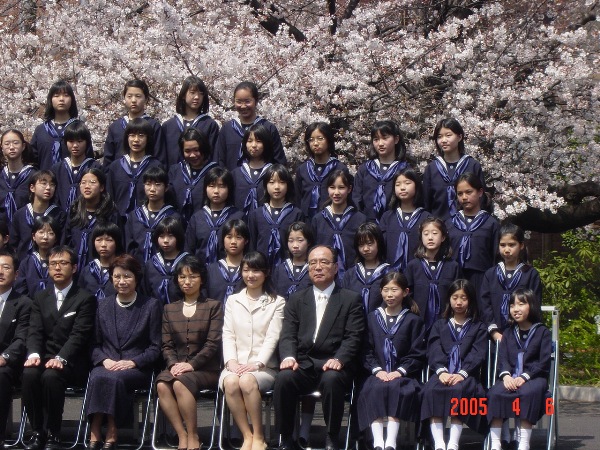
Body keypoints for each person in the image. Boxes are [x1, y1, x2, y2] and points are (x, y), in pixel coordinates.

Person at [274, 245, 364, 450]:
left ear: (335, 267)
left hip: (333, 363)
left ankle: (332, 437)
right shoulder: (297, 298)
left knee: (332, 379)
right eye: (312, 263)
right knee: (284, 378)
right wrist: (288, 356)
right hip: (304, 363)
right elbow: (288, 334)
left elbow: (354, 336)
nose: (318, 267)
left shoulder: (350, 299)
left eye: (324, 262)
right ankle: (285, 438)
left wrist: (340, 358)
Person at [22, 245, 95, 450]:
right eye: (53, 264)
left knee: (51, 377)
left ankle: (54, 432)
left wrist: (61, 357)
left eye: (63, 263)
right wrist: (33, 354)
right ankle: (37, 431)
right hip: (45, 357)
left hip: (72, 361)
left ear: (74, 267)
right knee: (29, 374)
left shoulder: (85, 298)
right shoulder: (40, 297)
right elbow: (34, 330)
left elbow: (79, 335)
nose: (57, 268)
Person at [86, 254, 162, 449]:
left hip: (137, 368)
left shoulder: (150, 305)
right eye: (117, 276)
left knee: (115, 379)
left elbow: (155, 347)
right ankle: (97, 426)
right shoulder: (102, 305)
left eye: (127, 276)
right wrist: (104, 360)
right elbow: (94, 344)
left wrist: (133, 362)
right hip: (108, 363)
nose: (121, 281)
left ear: (136, 278)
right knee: (97, 376)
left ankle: (110, 428)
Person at [156, 255, 223, 450]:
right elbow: (167, 344)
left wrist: (191, 365)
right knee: (162, 384)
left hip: (206, 369)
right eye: (182, 277)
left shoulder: (213, 306)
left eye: (193, 276)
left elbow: (212, 344)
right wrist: (173, 364)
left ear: (202, 279)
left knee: (180, 383)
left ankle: (193, 435)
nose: (187, 281)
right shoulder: (169, 309)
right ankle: (182, 434)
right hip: (177, 367)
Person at [220, 251, 285, 450]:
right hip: (235, 364)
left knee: (247, 380)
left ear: (266, 273)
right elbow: (228, 333)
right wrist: (231, 361)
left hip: (264, 367)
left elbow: (273, 336)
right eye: (246, 270)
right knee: (231, 382)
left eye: (256, 271)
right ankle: (246, 435)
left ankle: (259, 436)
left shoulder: (277, 302)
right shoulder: (233, 300)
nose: (250, 275)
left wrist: (257, 363)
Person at [357, 272, 424, 450]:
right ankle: (378, 441)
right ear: (380, 292)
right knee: (373, 388)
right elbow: (366, 350)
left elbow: (417, 352)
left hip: (403, 375)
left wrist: (399, 371)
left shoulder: (413, 320)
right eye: (386, 290)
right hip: (377, 373)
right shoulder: (371, 318)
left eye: (394, 290)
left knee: (396, 388)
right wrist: (377, 370)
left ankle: (391, 441)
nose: (389, 295)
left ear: (405, 292)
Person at [420, 279, 489, 450]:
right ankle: (439, 443)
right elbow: (434, 349)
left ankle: (453, 442)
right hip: (442, 374)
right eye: (455, 297)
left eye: (463, 298)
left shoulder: (478, 327)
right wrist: (442, 371)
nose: (459, 302)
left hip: (466, 375)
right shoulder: (440, 324)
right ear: (449, 299)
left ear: (470, 300)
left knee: (460, 392)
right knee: (431, 390)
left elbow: (477, 353)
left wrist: (462, 373)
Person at [487, 289, 551, 450]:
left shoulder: (542, 332)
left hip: (534, 377)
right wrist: (506, 376)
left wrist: (525, 377)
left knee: (527, 393)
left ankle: (523, 444)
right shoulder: (508, 333)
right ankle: (495, 444)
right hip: (511, 377)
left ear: (532, 306)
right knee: (495, 393)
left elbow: (543, 362)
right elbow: (503, 359)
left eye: (521, 304)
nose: (516, 309)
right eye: (512, 305)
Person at [481, 223, 543, 342]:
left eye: (511, 245)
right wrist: (494, 333)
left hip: (523, 335)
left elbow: (534, 305)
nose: (507, 250)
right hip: (495, 336)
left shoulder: (530, 274)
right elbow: (485, 305)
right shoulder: (490, 274)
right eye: (502, 245)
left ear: (521, 245)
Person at [446, 173, 499, 296]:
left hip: (482, 280)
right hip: (455, 279)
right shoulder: (450, 223)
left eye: (469, 192)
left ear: (480, 192)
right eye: (460, 194)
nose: (464, 197)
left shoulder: (491, 224)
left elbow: (496, 256)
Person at [422, 118, 486, 220]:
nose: (443, 140)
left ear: (459, 137)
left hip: (468, 224)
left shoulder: (472, 165)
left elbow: (481, 199)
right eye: (439, 137)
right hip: (438, 225)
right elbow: (426, 202)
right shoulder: (432, 168)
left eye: (448, 135)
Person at [214, 81, 286, 172]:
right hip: (232, 179)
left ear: (256, 101)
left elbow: (279, 162)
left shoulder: (268, 128)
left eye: (247, 101)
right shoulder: (227, 129)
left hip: (263, 179)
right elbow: (219, 160)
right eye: (239, 102)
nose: (243, 106)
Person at [405, 218, 462, 330]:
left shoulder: (453, 266)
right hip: (419, 322)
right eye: (426, 234)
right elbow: (407, 295)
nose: (430, 237)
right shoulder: (413, 265)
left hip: (446, 322)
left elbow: (458, 293)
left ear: (443, 237)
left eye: (435, 233)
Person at [0, 249, 32, 448]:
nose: (0, 272)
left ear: (16, 274)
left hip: (9, 364)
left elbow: (22, 338)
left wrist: (5, 356)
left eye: (6, 267)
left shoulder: (24, 303)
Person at [311, 170, 366, 278]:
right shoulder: (318, 219)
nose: (336, 192)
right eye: (332, 187)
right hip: (324, 275)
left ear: (349, 189)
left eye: (341, 187)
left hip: (353, 275)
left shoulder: (360, 219)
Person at [353, 121, 411, 223]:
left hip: (395, 224)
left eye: (385, 138)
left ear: (396, 139)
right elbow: (356, 198)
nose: (380, 143)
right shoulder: (365, 169)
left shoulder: (404, 169)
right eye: (376, 139)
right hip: (367, 225)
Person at [63, 168, 120, 270]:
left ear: (101, 187)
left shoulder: (111, 213)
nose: (87, 186)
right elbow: (66, 241)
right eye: (83, 183)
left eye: (92, 182)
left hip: (102, 268)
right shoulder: (74, 211)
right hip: (75, 268)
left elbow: (119, 245)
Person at [106, 118, 164, 219]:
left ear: (148, 139)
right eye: (132, 135)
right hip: (119, 221)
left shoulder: (155, 166)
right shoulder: (116, 167)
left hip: (146, 220)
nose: (136, 140)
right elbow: (109, 197)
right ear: (126, 138)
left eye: (141, 135)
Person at [184, 167, 243, 264]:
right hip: (201, 270)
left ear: (229, 189)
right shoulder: (197, 218)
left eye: (221, 186)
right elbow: (189, 250)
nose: (216, 191)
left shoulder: (238, 217)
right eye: (211, 186)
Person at [248, 164, 303, 267]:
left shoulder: (296, 213)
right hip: (261, 268)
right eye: (272, 182)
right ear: (265, 185)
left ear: (288, 185)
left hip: (287, 268)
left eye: (282, 182)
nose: (277, 187)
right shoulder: (256, 214)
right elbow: (252, 245)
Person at [30, 81, 92, 171]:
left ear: (72, 100)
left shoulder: (79, 128)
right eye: (57, 95)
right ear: (50, 99)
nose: (61, 99)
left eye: (66, 95)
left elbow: (89, 160)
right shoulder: (41, 130)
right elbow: (33, 161)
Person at [124, 166, 180, 264]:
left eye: (157, 184)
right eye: (148, 184)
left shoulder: (173, 216)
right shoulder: (135, 216)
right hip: (137, 266)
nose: (152, 189)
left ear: (166, 188)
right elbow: (129, 245)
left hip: (163, 266)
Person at [380, 168, 432, 272]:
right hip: (392, 275)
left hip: (419, 272)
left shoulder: (426, 217)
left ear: (417, 186)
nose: (402, 188)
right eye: (398, 184)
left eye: (407, 183)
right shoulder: (387, 217)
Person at [103, 79, 164, 167]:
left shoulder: (153, 125)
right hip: (119, 174)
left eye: (138, 96)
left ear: (146, 99)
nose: (134, 100)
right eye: (129, 96)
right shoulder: (115, 127)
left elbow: (160, 157)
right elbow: (108, 160)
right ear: (124, 98)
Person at [162, 76, 220, 166]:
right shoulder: (169, 126)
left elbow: (213, 157)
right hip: (173, 174)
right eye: (192, 93)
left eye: (201, 93)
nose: (197, 97)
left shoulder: (209, 125)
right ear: (183, 95)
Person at [294, 122, 348, 219]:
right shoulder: (303, 169)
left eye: (320, 138)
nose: (315, 143)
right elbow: (297, 198)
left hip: (331, 219)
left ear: (328, 140)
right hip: (306, 220)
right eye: (311, 140)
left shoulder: (339, 168)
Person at [10, 170, 65, 263]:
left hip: (50, 264)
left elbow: (61, 243)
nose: (48, 188)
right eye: (43, 183)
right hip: (23, 265)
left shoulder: (59, 214)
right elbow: (13, 244)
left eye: (52, 185)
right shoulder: (20, 214)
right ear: (32, 187)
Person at [168, 128, 217, 223]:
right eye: (187, 151)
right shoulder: (175, 170)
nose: (192, 155)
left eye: (196, 150)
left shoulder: (214, 171)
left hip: (205, 223)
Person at [342, 222, 391, 314]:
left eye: (369, 243)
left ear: (379, 243)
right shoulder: (350, 274)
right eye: (361, 245)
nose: (365, 249)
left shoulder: (389, 273)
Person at [51, 121, 101, 212]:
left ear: (87, 142)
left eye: (80, 141)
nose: (75, 145)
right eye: (71, 141)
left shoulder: (95, 167)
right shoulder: (57, 169)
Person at [143, 217, 189, 305]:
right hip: (156, 310)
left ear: (178, 237)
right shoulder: (151, 264)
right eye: (161, 236)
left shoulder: (187, 261)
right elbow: (145, 291)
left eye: (170, 236)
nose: (165, 241)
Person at [232, 124, 275, 220]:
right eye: (250, 141)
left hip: (266, 222)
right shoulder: (236, 174)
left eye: (259, 141)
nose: (254, 145)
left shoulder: (273, 172)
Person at [14, 216, 59, 297]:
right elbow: (20, 289)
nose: (45, 237)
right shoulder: (26, 263)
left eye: (51, 233)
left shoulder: (60, 262)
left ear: (56, 238)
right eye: (41, 232)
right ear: (34, 236)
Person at [78, 221, 123, 300]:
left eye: (109, 240)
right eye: (99, 240)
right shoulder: (88, 270)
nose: (103, 245)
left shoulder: (123, 268)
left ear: (117, 242)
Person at [205, 219, 248, 303]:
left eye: (238, 237)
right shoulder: (211, 270)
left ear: (246, 241)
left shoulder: (250, 271)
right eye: (229, 237)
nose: (233, 242)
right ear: (223, 240)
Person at [271, 221, 314, 300]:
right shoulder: (280, 269)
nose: (295, 245)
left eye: (300, 240)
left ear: (309, 242)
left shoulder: (313, 268)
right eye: (291, 241)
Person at [0, 129, 35, 223]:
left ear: (23, 146)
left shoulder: (33, 175)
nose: (11, 147)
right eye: (7, 144)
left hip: (25, 225)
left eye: (16, 143)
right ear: (2, 147)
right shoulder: (1, 174)